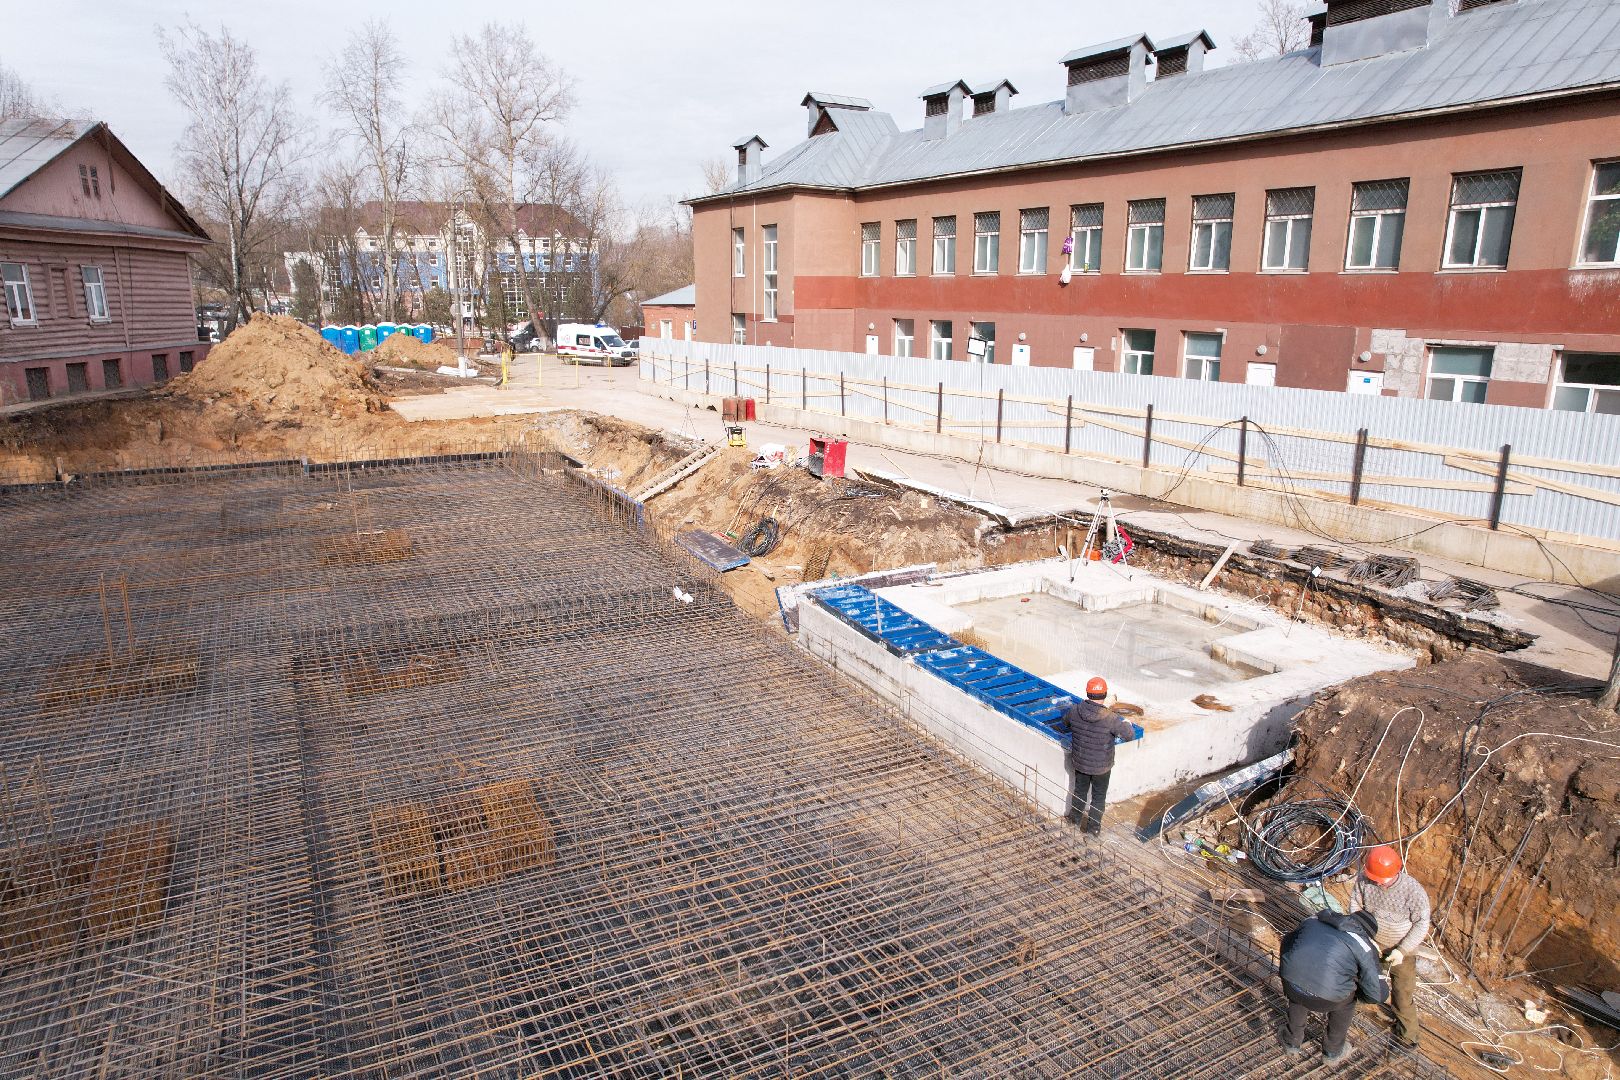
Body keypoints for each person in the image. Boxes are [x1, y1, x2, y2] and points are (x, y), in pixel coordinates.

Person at [1278, 909, 1389, 1063]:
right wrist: (1360, 993)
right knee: (1347, 1003)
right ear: (1368, 934)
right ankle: (1332, 1052)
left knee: (1300, 985)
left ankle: (1291, 1041)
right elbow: (1378, 994)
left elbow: (1287, 942)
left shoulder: (1313, 920)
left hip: (1292, 985)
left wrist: (1287, 972)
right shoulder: (1363, 944)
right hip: (1327, 1000)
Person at [1349, 844, 1431, 1048]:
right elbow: (1355, 906)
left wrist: (1401, 951)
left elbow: (1422, 923)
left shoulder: (1413, 891)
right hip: (1372, 944)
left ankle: (1407, 1038)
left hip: (1402, 951)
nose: (1377, 884)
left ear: (1396, 871)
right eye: (1374, 879)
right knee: (1360, 979)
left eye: (1381, 880)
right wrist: (1366, 937)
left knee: (1402, 996)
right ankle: (1347, 1011)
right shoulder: (1365, 880)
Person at [1059, 677, 1137, 835]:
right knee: (1098, 797)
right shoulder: (1111, 718)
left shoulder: (1075, 710)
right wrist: (1127, 722)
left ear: (1087, 693)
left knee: (1080, 791)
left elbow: (1065, 722)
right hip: (1102, 767)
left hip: (1080, 763)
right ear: (1105, 694)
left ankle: (1074, 821)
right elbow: (1129, 735)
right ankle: (1093, 829)